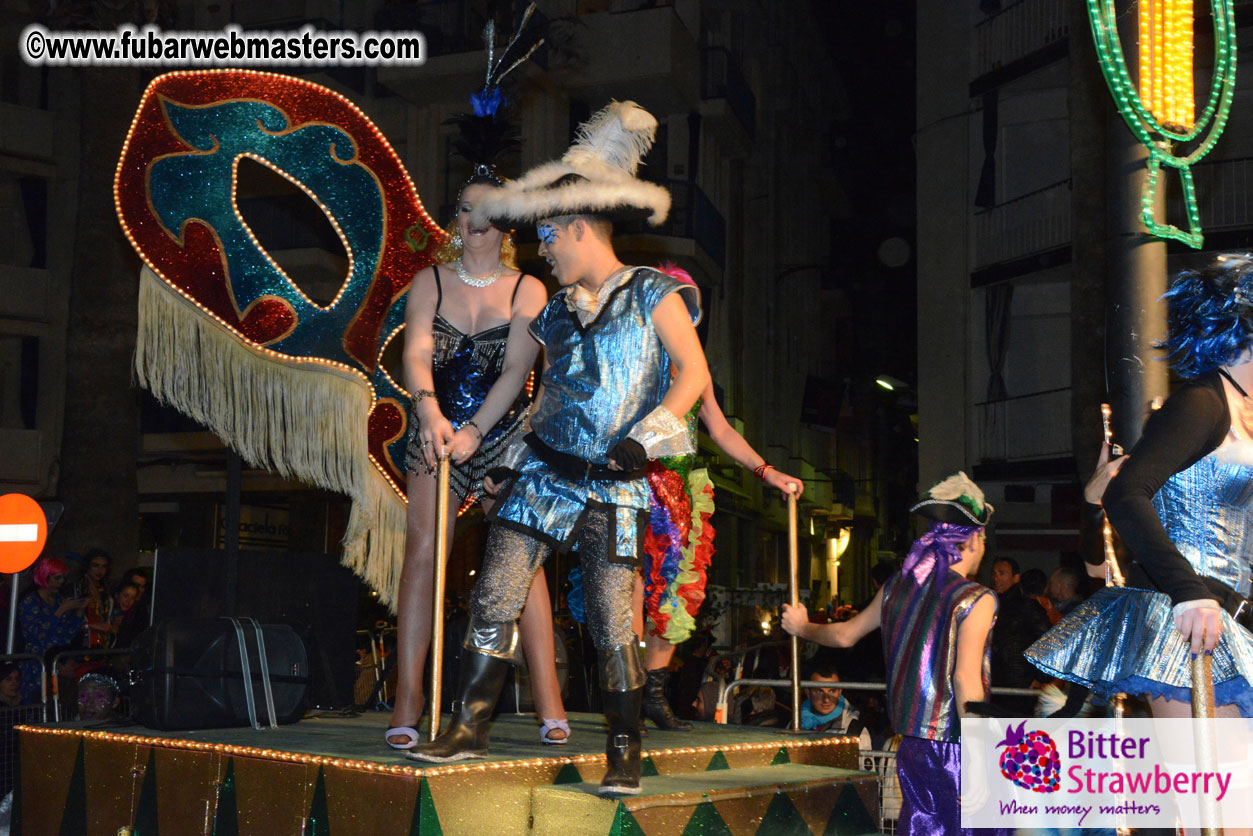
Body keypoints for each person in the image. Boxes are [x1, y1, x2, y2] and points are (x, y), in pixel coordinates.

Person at [408, 101, 710, 797]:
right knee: (494, 595)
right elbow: (539, 396)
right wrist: (503, 463)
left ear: (578, 228)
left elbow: (693, 375)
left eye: (549, 236)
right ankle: (466, 725)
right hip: (544, 472)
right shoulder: (549, 312)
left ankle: (624, 749)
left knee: (609, 618)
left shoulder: (653, 294)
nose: (542, 248)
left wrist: (646, 438)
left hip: (614, 481)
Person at [1027, 253, 1253, 720]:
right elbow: (1125, 493)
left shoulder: (1238, 410)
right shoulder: (1202, 403)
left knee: (1232, 787)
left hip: (1233, 612)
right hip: (1186, 612)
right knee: (1213, 786)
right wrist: (1188, 591)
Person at [388, 170, 554, 750]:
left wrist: (479, 430)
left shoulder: (527, 288)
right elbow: (416, 352)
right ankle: (408, 696)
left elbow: (517, 371)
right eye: (464, 208)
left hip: (505, 436)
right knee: (424, 551)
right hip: (435, 432)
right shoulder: (429, 279)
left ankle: (549, 700)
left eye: (486, 210)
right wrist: (431, 415)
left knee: (518, 562)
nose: (474, 221)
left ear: (505, 221)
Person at [782, 472, 1008, 836]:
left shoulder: (897, 588)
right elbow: (966, 679)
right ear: (976, 539)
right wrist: (981, 759)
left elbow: (844, 635)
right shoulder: (975, 598)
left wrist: (801, 626)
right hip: (956, 743)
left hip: (912, 745)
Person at [17, 557, 86, 705]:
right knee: (37, 702)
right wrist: (60, 611)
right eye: (57, 578)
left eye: (63, 578)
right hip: (38, 662)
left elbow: (68, 632)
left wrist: (79, 612)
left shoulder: (59, 600)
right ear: (44, 577)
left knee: (58, 700)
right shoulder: (31, 601)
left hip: (58, 662)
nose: (61, 582)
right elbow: (35, 633)